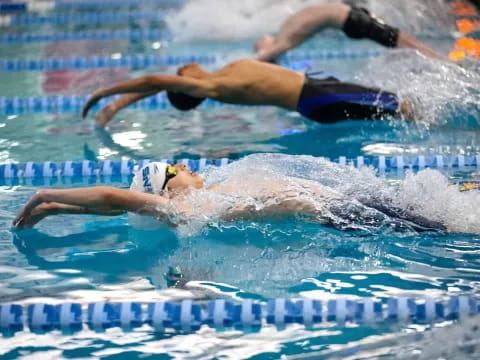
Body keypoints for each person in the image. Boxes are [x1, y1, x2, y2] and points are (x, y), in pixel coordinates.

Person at [13, 161, 446, 233]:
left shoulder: (199, 196)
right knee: (447, 228)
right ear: (165, 189)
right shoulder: (181, 209)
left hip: (350, 199)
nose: (185, 166)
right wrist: (44, 195)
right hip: (341, 216)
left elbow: (118, 204)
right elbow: (118, 197)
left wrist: (58, 209)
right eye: (173, 170)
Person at [81, 59, 412, 128]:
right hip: (317, 96)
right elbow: (154, 80)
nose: (182, 66)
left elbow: (157, 84)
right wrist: (104, 94)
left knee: (399, 107)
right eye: (179, 73)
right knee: (403, 106)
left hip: (318, 92)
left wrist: (116, 106)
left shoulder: (220, 76)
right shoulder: (213, 87)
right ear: (184, 83)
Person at [254, 3, 448, 62]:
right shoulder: (286, 28)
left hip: (351, 19)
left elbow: (263, 58)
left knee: (399, 40)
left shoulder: (283, 40)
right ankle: (439, 58)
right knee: (400, 39)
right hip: (350, 13)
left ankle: (440, 60)